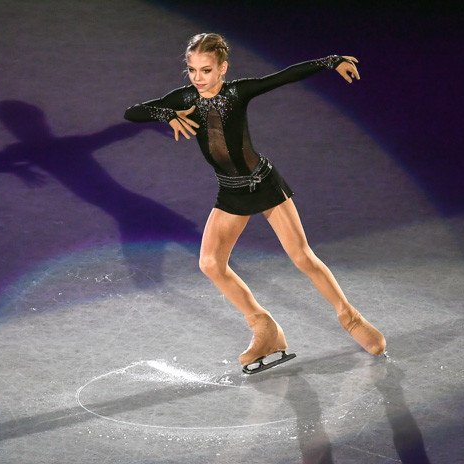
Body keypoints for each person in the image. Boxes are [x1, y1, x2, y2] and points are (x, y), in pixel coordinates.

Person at [124, 33, 386, 373]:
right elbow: (133, 112)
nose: (198, 78)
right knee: (210, 264)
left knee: (301, 256)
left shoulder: (238, 92)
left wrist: (331, 60)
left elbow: (283, 76)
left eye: (206, 70)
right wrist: (167, 115)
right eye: (192, 71)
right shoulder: (186, 98)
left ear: (222, 68)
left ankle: (349, 317)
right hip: (231, 191)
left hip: (263, 184)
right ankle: (264, 327)